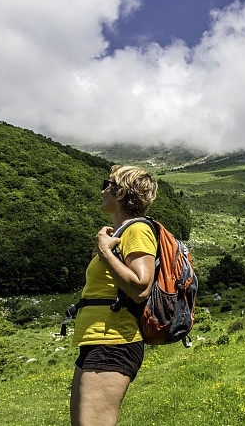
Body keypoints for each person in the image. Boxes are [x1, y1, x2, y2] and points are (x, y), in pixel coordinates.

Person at [70, 165, 158, 426]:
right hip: (98, 339)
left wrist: (106, 254)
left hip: (114, 341)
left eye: (106, 184)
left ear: (120, 193)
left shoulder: (137, 230)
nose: (102, 190)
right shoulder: (120, 234)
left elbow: (141, 287)